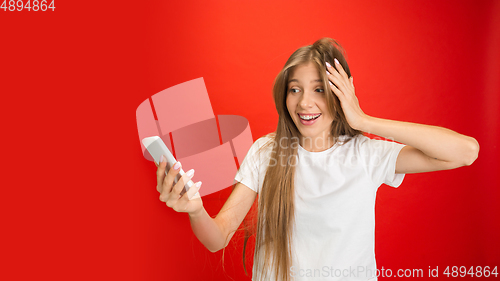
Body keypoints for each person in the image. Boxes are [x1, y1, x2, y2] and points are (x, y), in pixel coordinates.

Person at [154, 38, 479, 281]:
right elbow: (217, 239)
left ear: (342, 93)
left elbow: (465, 152)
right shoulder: (267, 152)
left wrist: (364, 121)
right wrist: (195, 210)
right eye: (295, 89)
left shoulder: (365, 153)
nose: (304, 102)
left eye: (319, 90)